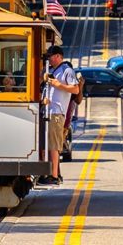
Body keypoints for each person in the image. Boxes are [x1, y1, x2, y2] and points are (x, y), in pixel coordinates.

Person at [40, 46, 79, 186]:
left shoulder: (66, 71)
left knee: (54, 145)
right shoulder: (49, 70)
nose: (49, 58)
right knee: (46, 144)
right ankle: (47, 173)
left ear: (58, 56)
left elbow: (75, 88)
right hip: (46, 111)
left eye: (50, 56)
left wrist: (58, 84)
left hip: (57, 112)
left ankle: (54, 176)